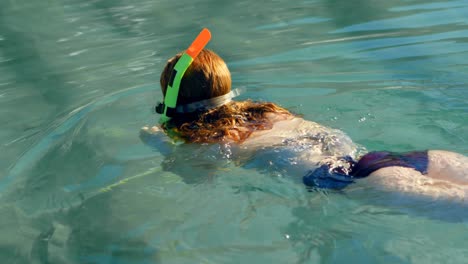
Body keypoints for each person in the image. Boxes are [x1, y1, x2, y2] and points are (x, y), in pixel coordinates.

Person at [141, 30, 468, 202]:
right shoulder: (267, 110)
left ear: (172, 100)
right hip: (381, 161)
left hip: (350, 183)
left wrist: (161, 142)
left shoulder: (207, 141)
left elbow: (197, 177)